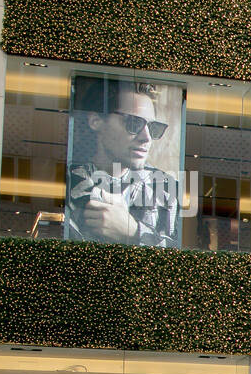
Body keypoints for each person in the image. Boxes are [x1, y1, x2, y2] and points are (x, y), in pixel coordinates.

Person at [65, 76, 179, 248]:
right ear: (95, 121)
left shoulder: (165, 188)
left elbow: (177, 258)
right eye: (133, 123)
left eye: (152, 127)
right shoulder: (66, 182)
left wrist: (133, 232)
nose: (146, 138)